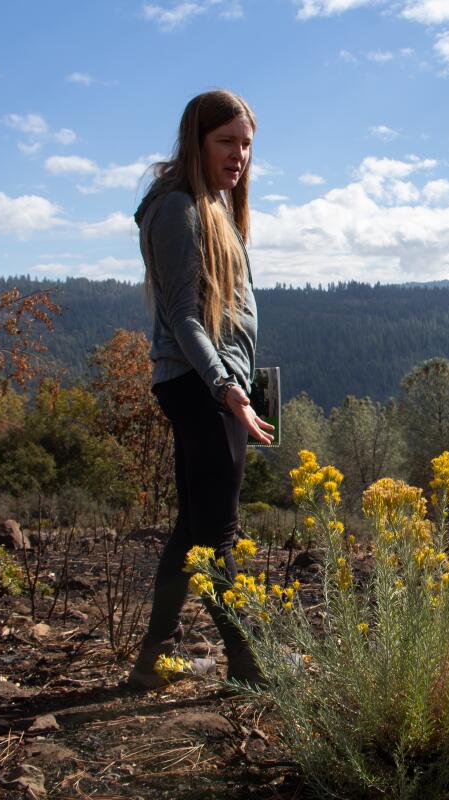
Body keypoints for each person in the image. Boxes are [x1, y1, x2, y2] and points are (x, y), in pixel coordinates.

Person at [127, 89, 273, 689]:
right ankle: (251, 662)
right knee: (218, 534)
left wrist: (237, 383)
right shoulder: (179, 208)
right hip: (201, 386)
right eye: (226, 142)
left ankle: (152, 659)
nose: (238, 155)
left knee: (195, 526)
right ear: (196, 141)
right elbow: (185, 315)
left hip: (215, 384)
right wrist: (224, 387)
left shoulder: (214, 203)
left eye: (245, 144)